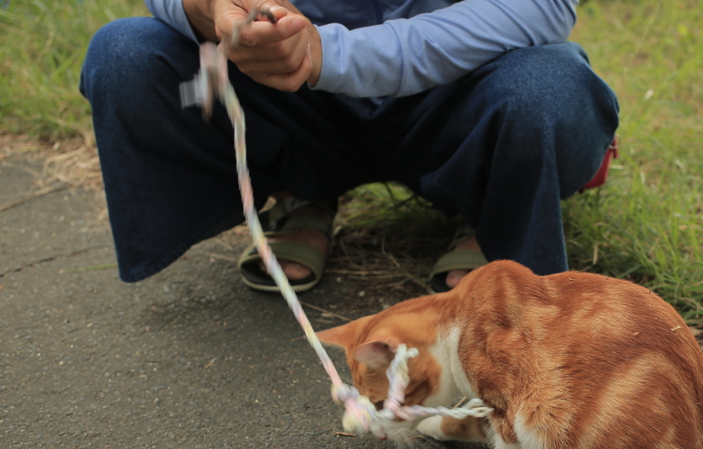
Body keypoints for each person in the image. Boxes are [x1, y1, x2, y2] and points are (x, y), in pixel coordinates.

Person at [80, 0, 619, 293]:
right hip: (292, 97)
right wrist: (213, 9)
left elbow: (543, 6)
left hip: (462, 94)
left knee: (551, 91)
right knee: (127, 55)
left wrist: (329, 53)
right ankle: (301, 188)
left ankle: (494, 213)